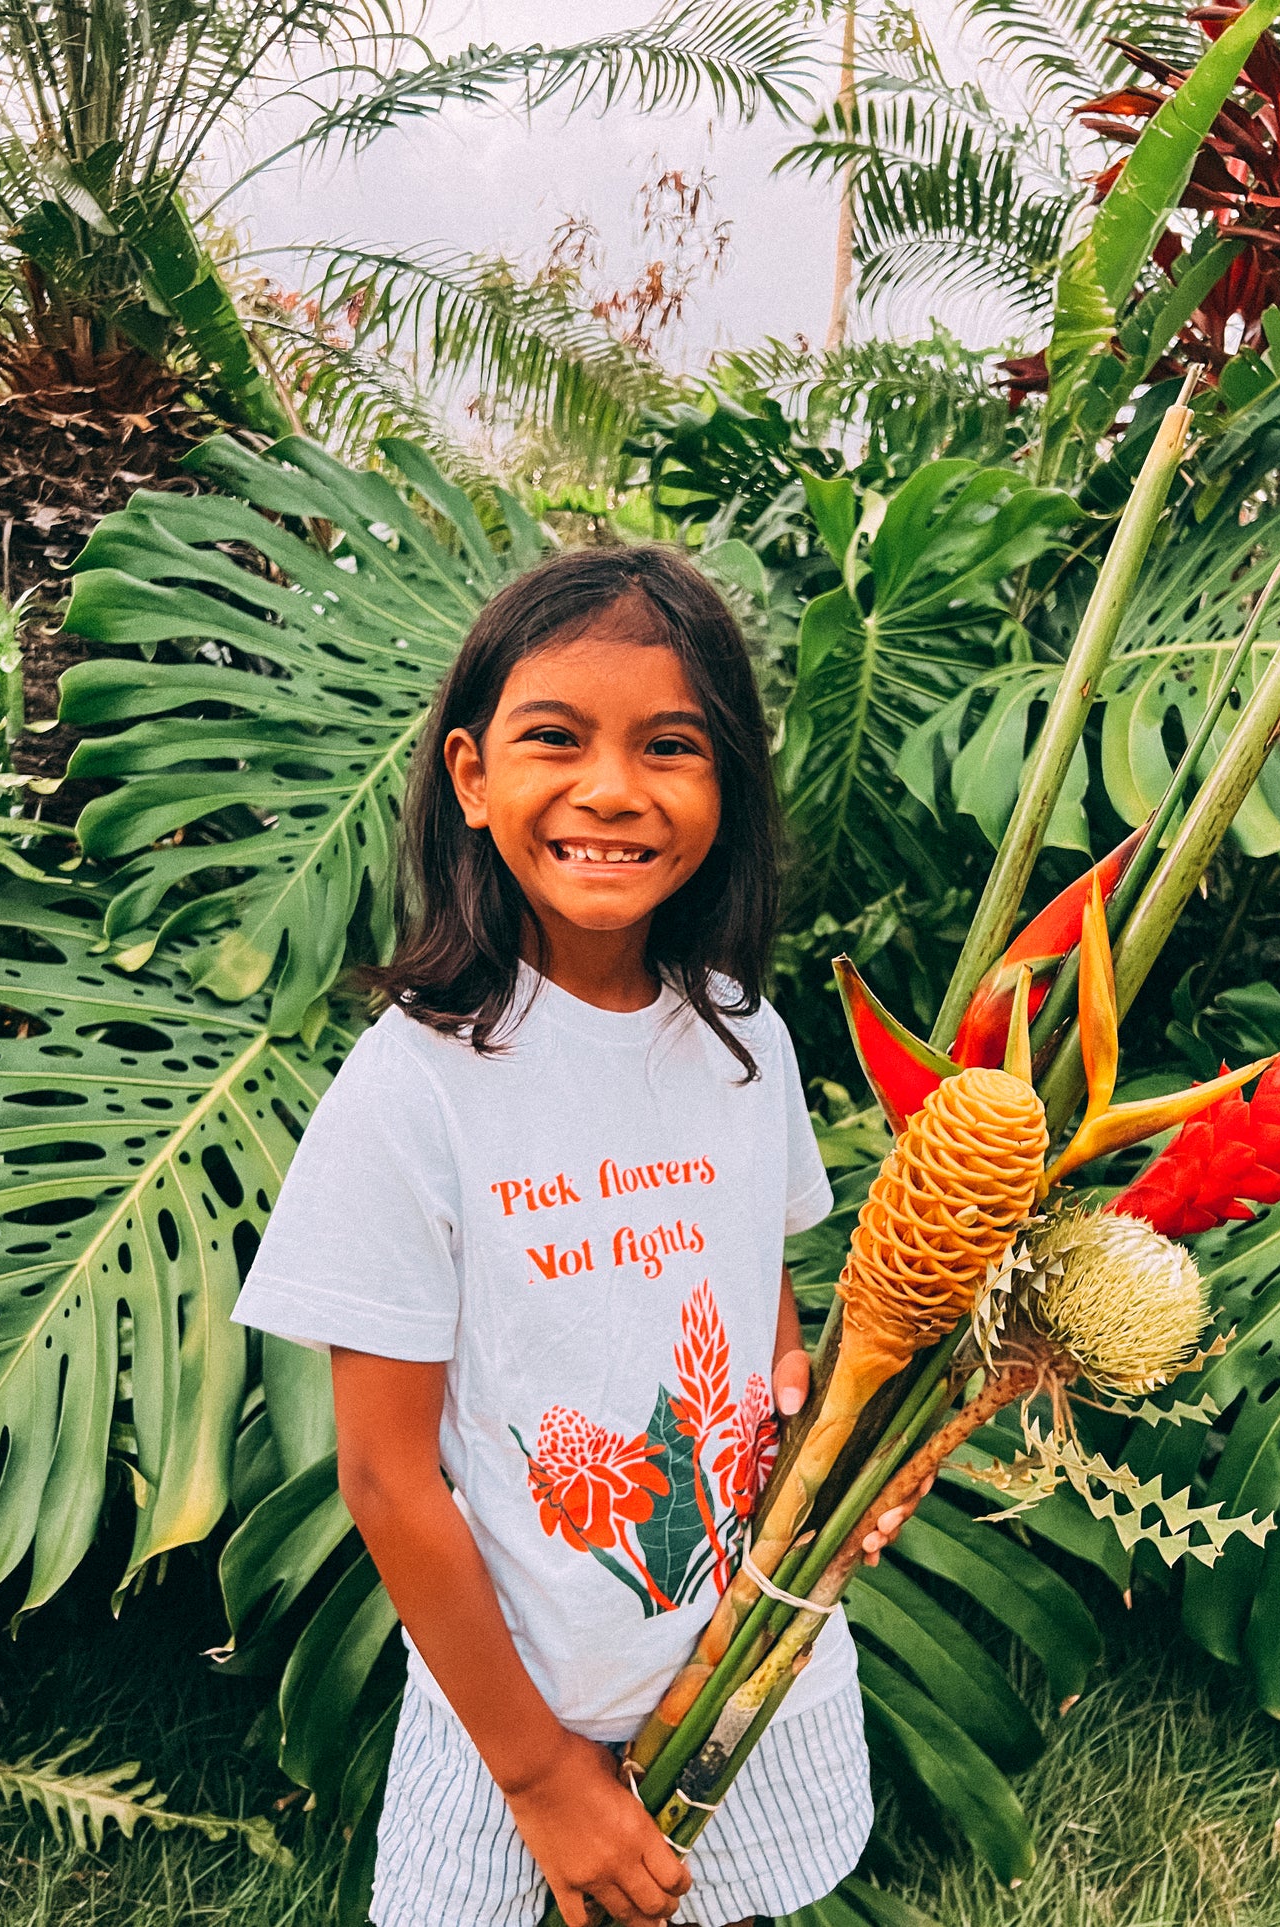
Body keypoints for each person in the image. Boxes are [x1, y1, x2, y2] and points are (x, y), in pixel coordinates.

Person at [232, 546, 912, 1927]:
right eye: (558, 740)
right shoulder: (411, 1089)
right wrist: (541, 1775)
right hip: (519, 1695)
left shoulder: (742, 1038)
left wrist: (827, 1469)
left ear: (723, 787)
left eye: (671, 745)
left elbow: (759, 1308)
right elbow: (385, 1478)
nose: (612, 790)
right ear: (472, 778)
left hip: (739, 1651)